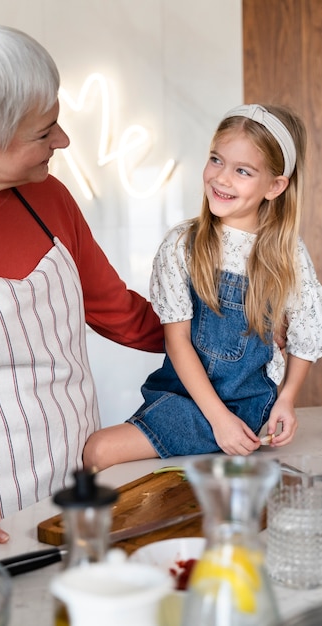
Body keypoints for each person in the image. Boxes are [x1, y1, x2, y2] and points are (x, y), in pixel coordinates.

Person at [0, 25, 164, 550]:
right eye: (44, 132)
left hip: (84, 497)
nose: (63, 141)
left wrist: (230, 335)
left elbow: (123, 315)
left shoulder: (49, 197)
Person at [83, 103, 322, 471]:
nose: (222, 178)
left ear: (275, 186)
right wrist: (216, 420)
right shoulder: (182, 244)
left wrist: (286, 400)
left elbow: (306, 338)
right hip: (184, 396)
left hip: (242, 409)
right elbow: (176, 341)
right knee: (100, 451)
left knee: (100, 449)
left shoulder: (288, 255)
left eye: (242, 171)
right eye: (216, 160)